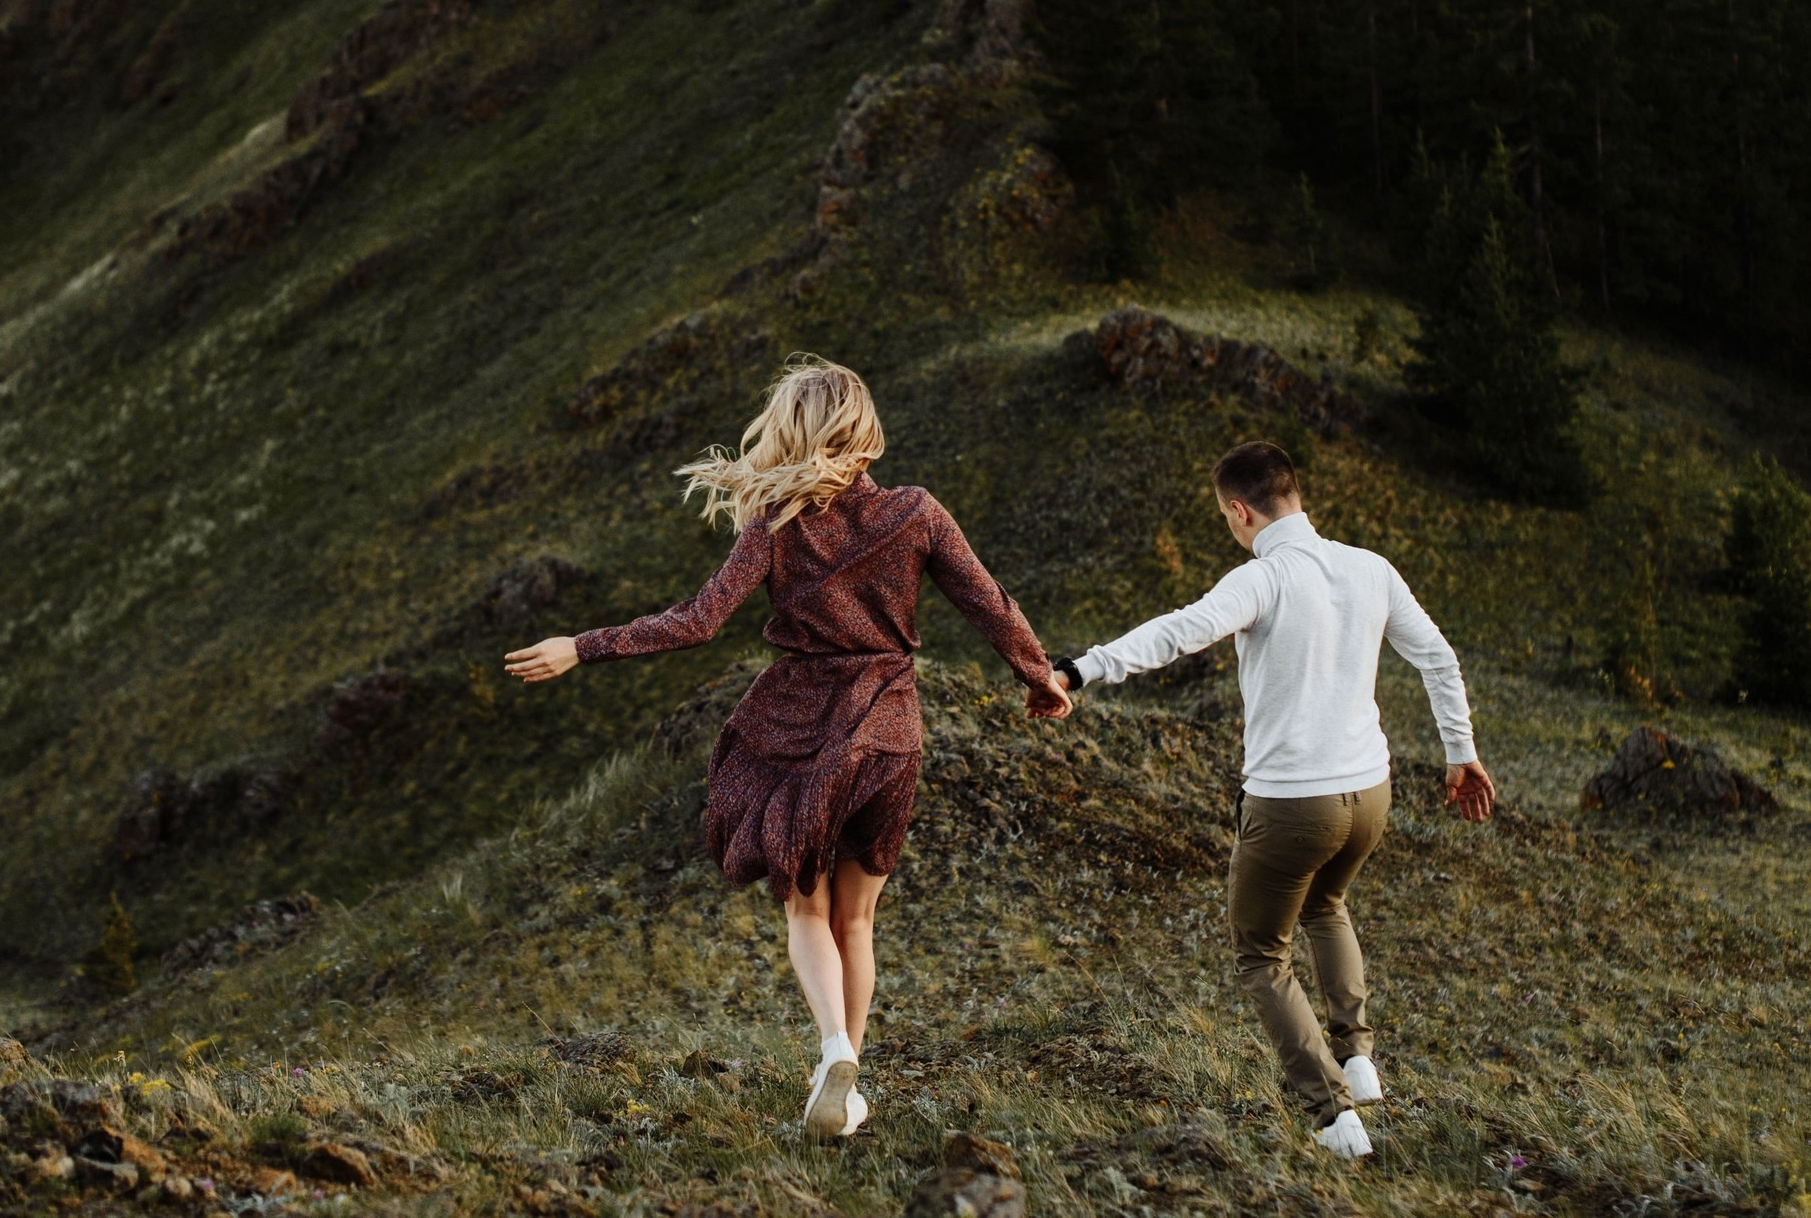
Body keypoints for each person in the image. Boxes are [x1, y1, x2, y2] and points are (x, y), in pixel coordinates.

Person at [505, 356, 1071, 1143]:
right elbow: (989, 601)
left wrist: (582, 644)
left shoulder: (773, 520)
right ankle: (845, 1090)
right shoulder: (917, 511)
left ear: (792, 430)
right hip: (891, 727)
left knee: (803, 903)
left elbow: (696, 620)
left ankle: (834, 1052)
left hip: (800, 730)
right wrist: (1039, 676)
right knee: (859, 917)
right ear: (864, 428)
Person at [1052, 439, 1494, 1162]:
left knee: (1260, 955)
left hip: (1292, 805)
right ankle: (1358, 1059)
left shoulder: (1264, 578)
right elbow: (1438, 658)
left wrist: (1081, 667)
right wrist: (1460, 753)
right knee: (1326, 904)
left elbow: (1177, 632)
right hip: (1370, 797)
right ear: (1294, 491)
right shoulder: (1369, 568)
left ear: (1240, 509)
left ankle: (1334, 1116)